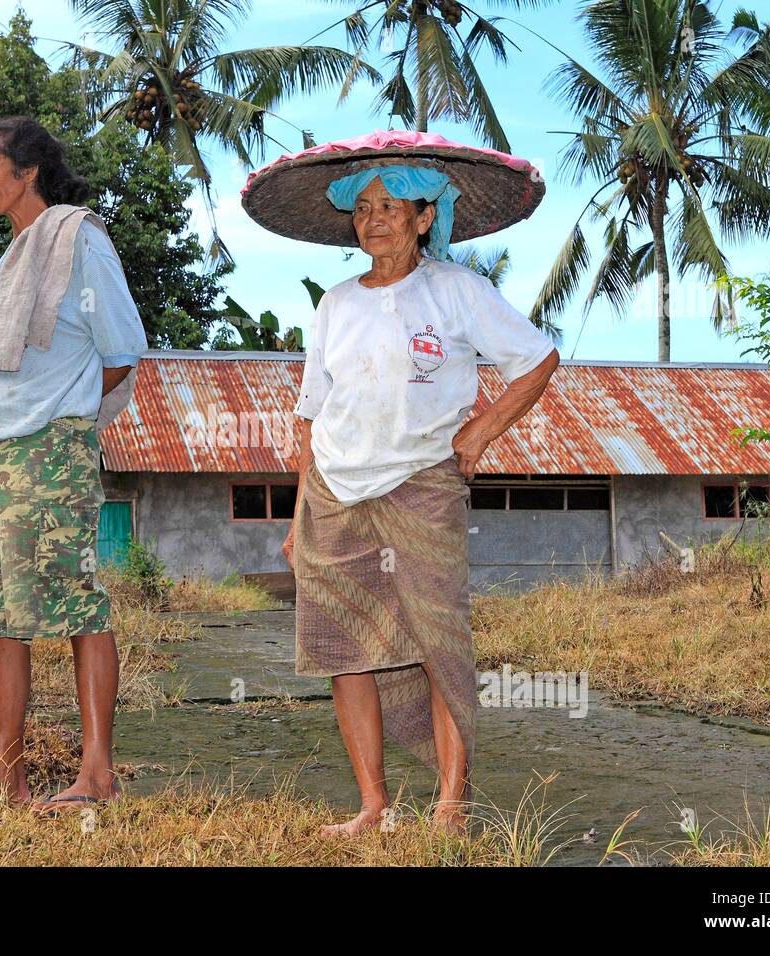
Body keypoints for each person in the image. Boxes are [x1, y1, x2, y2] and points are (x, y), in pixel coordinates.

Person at [240, 131, 559, 836]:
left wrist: (477, 435)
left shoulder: (458, 291)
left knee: (438, 638)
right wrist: (297, 522)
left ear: (424, 218)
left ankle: (450, 802)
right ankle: (372, 805)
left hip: (421, 484)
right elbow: (310, 416)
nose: (375, 219)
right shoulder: (336, 304)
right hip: (333, 492)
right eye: (363, 208)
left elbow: (537, 359)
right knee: (343, 648)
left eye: (392, 206)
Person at [0, 115, 147, 813]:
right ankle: (7, 778)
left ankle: (97, 775)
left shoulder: (76, 239)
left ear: (27, 171)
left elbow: (121, 352)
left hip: (50, 449)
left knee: (76, 605)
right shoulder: (13, 257)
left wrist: (68, 423)